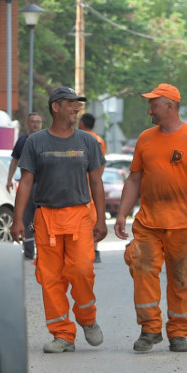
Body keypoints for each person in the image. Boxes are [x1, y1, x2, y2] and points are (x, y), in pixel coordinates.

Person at [113, 83, 187, 353]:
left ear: (169, 106)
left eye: (153, 105)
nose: (149, 110)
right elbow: (134, 178)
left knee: (181, 280)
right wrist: (122, 214)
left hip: (184, 224)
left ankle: (178, 332)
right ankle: (150, 329)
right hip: (148, 223)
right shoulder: (145, 139)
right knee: (142, 269)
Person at [10, 86, 107, 353]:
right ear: (56, 107)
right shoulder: (36, 142)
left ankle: (87, 318)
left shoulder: (87, 141)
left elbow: (97, 182)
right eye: (71, 104)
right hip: (46, 217)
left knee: (81, 271)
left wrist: (101, 220)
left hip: (79, 215)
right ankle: (63, 334)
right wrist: (18, 219)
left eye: (78, 104)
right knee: (50, 277)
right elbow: (26, 182)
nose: (77, 108)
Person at [6, 111, 43, 259]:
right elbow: (14, 160)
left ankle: (45, 251)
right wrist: (9, 179)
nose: (35, 124)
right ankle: (29, 252)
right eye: (33, 121)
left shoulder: (46, 140)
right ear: (28, 123)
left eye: (38, 122)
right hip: (27, 187)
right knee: (27, 220)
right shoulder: (22, 141)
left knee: (42, 220)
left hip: (43, 187)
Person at [78, 112, 107, 263]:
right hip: (92, 183)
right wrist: (96, 178)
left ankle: (86, 250)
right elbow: (101, 163)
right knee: (93, 218)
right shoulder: (99, 140)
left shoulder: (80, 138)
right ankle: (94, 250)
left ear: (82, 123)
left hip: (81, 184)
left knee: (84, 218)